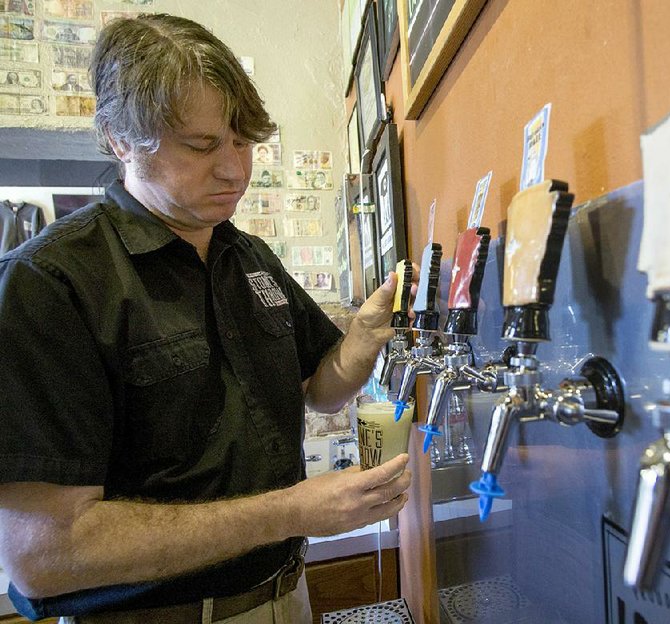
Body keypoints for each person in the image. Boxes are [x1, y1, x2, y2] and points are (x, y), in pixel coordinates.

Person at [0, 13, 413, 624]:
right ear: (119, 138)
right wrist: (293, 511)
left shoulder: (245, 254)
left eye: (243, 142)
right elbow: (43, 555)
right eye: (202, 145)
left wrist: (364, 334)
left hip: (286, 596)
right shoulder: (50, 283)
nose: (234, 170)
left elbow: (321, 390)